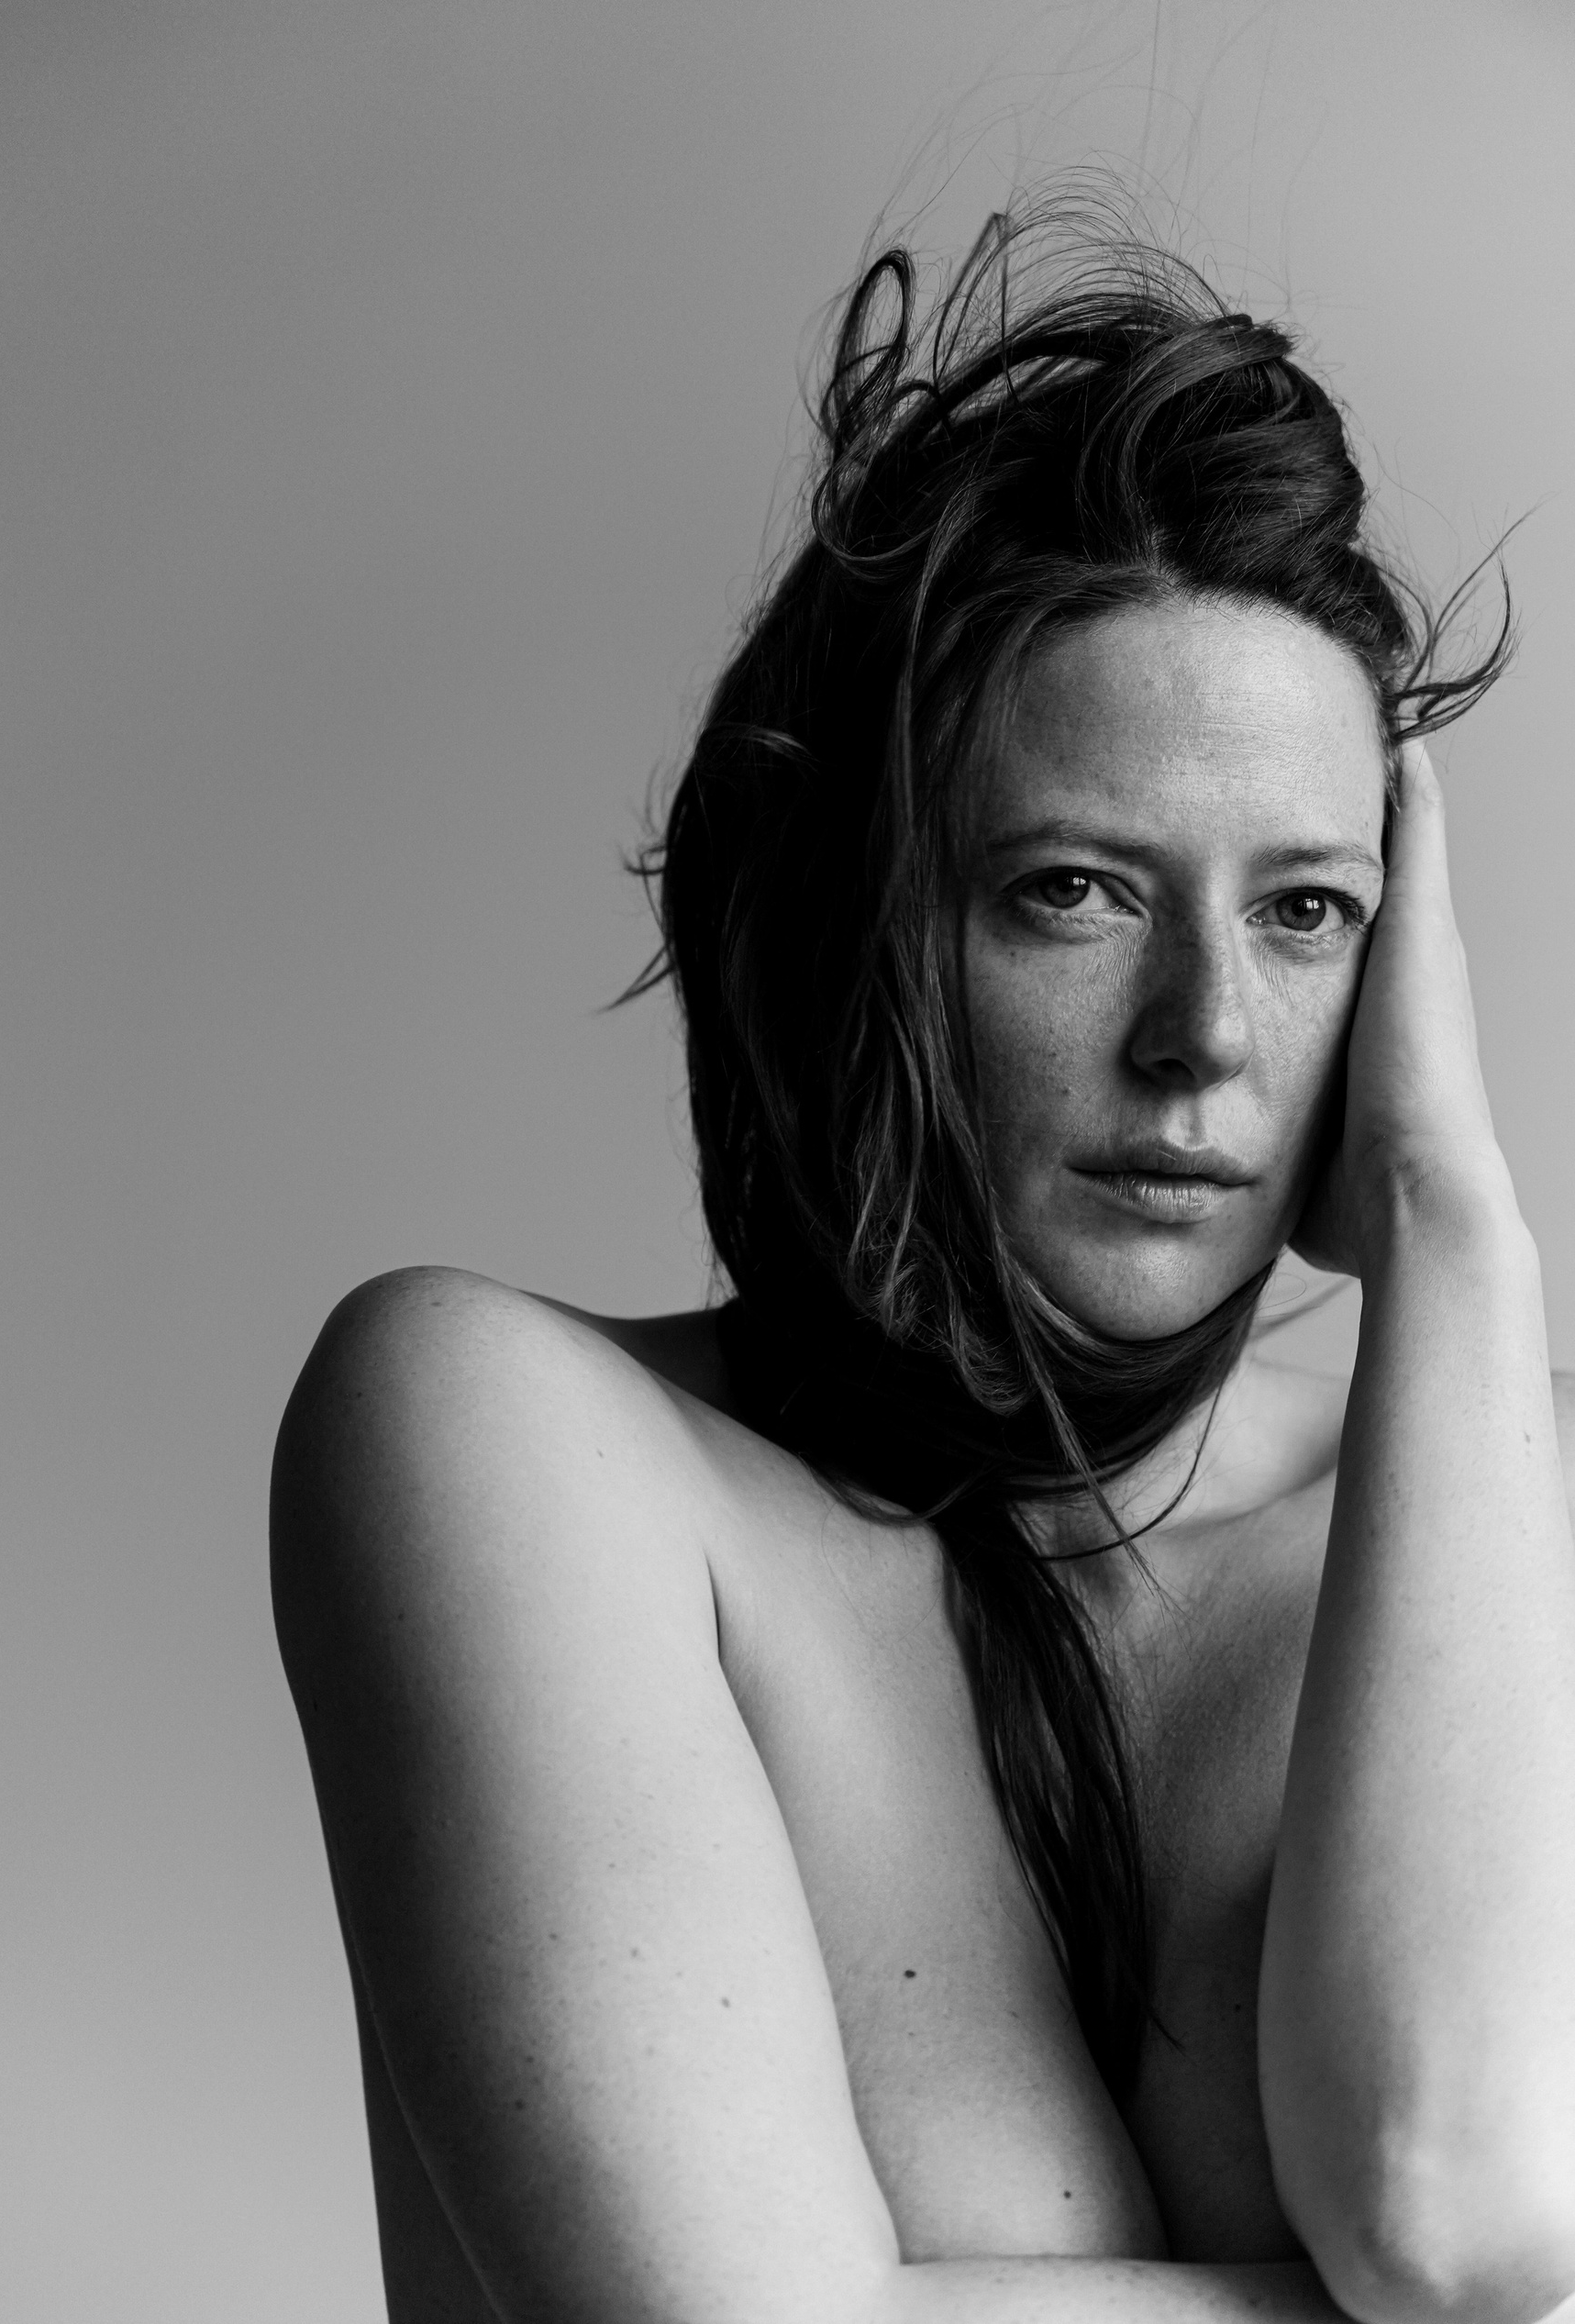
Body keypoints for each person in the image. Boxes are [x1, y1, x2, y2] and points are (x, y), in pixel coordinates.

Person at [270, 197, 1575, 2324]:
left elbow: (1459, 2206)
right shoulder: (510, 1437)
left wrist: (1456, 1221)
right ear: (857, 923)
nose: (1207, 1034)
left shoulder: (1510, 1506)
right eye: (1076, 888)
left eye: (1305, 911)